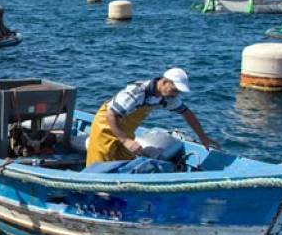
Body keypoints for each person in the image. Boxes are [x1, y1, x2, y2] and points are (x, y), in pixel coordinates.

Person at [85, 68, 220, 167]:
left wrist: (203, 137)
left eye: (178, 92)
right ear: (164, 82)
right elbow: (111, 114)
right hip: (106, 127)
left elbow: (187, 114)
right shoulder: (137, 92)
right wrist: (125, 141)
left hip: (126, 131)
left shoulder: (166, 97)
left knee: (126, 163)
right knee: (99, 165)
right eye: (174, 90)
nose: (175, 95)